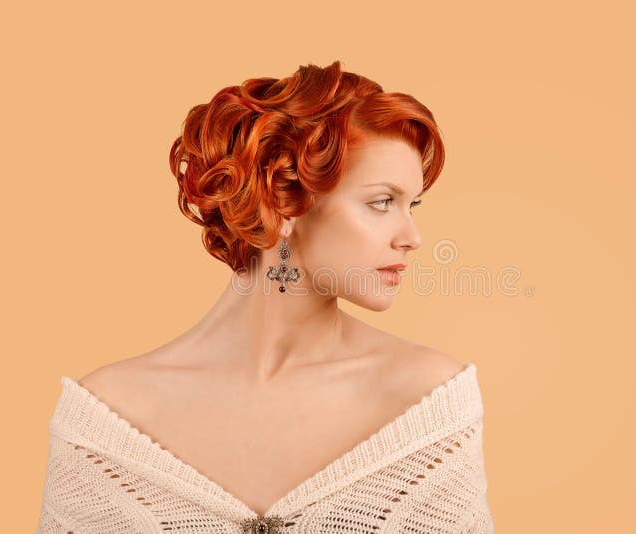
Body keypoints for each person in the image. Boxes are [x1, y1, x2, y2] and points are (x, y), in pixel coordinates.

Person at [38, 60, 494, 533]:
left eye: (411, 205)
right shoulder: (105, 421)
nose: (412, 237)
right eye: (382, 202)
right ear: (281, 200)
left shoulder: (430, 405)